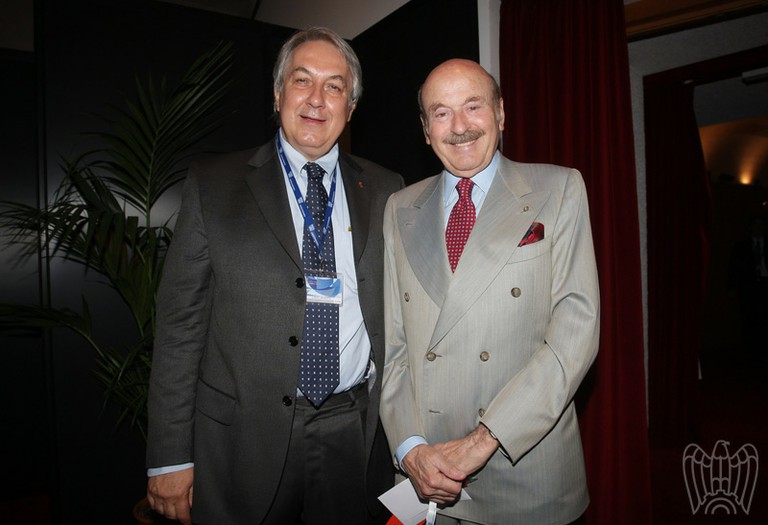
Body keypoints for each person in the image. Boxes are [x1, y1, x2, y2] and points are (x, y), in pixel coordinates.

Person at [145, 27, 404, 525]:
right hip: (242, 439)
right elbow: (179, 329)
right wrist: (170, 456)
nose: (316, 98)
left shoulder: (387, 188)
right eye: (302, 80)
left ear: (350, 107)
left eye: (334, 86)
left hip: (352, 429)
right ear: (277, 93)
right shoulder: (214, 184)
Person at [380, 59, 600, 524]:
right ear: (425, 130)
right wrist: (411, 449)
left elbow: (575, 335)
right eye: (441, 113)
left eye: (473, 106)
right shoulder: (399, 208)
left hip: (523, 470)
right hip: (428, 478)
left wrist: (482, 441)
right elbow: (393, 347)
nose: (460, 126)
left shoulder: (558, 188)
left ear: (500, 113)